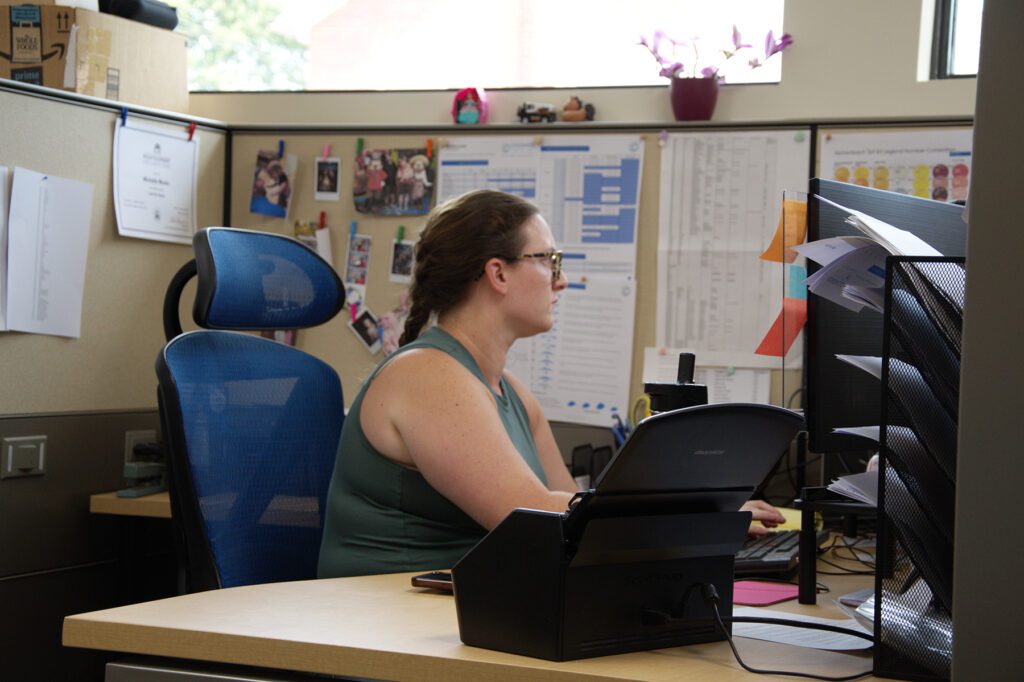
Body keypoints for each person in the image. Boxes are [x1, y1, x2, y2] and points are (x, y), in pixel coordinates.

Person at [317, 189, 783, 578]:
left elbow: (579, 509)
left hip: (462, 609)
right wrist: (696, 519)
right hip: (385, 623)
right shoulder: (427, 375)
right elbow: (536, 517)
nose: (560, 282)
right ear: (497, 273)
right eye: (549, 260)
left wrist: (699, 512)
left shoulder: (512, 394)